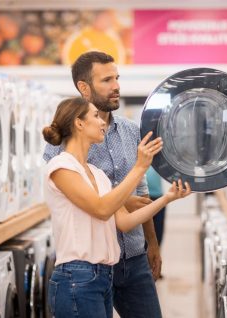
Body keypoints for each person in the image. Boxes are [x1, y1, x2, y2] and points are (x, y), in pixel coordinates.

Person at [43, 97, 190, 318]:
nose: (102, 122)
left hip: (102, 277)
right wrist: (139, 167)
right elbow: (101, 209)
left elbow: (123, 221)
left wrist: (167, 198)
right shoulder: (61, 167)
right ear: (79, 123)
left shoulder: (98, 174)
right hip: (76, 278)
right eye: (95, 116)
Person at [43, 51, 163, 317]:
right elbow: (86, 202)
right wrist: (122, 199)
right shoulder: (63, 148)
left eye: (117, 78)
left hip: (132, 256)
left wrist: (151, 244)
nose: (117, 86)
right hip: (86, 264)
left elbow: (141, 192)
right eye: (107, 80)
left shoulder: (131, 131)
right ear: (84, 88)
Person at [146, 167, 166, 248]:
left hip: (158, 196)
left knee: (158, 234)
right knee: (145, 233)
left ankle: (156, 255)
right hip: (142, 197)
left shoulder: (158, 158)